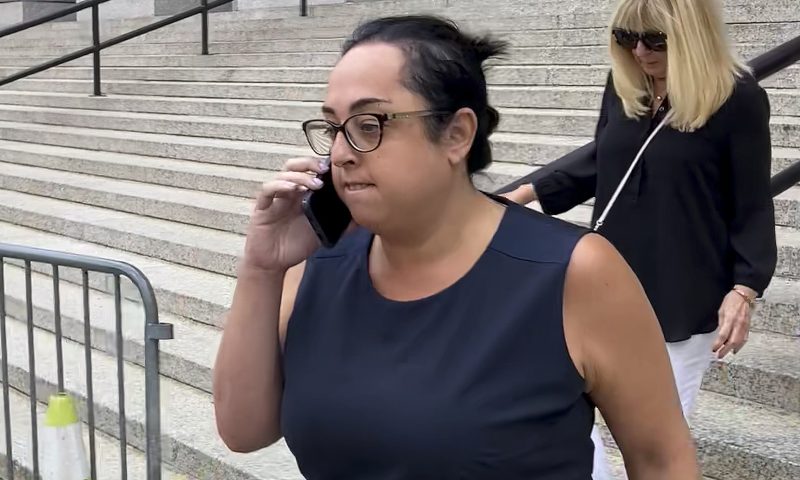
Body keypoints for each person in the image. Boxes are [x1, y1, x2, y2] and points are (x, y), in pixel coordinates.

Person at [213, 15, 700, 479]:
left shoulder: (574, 272)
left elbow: (661, 461)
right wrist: (261, 266)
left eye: (370, 125)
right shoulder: (316, 266)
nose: (341, 153)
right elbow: (243, 430)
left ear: (457, 134)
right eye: (334, 128)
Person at [503, 0, 777, 477]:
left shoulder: (737, 98)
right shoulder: (626, 85)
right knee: (561, 411)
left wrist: (746, 289)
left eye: (656, 40)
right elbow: (601, 158)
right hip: (606, 279)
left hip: (685, 291)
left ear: (692, 35)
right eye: (627, 39)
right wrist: (520, 194)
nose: (640, 52)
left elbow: (751, 202)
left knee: (656, 438)